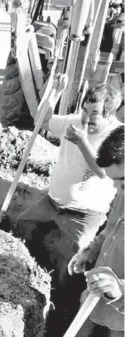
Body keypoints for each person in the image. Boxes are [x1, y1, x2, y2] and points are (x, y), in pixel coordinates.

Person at [16, 75, 123, 285]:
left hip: (85, 214)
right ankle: (27, 276)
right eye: (85, 110)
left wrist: (82, 142)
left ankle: (62, 303)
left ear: (109, 115)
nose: (86, 119)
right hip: (51, 203)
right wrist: (55, 93)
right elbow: (41, 120)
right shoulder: (73, 123)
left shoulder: (116, 135)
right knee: (22, 224)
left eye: (94, 114)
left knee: (76, 261)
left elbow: (103, 172)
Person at [68, 124, 124, 337]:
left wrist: (119, 291)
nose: (117, 189)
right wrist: (89, 252)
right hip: (98, 292)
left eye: (122, 181)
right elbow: (110, 229)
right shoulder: (122, 194)